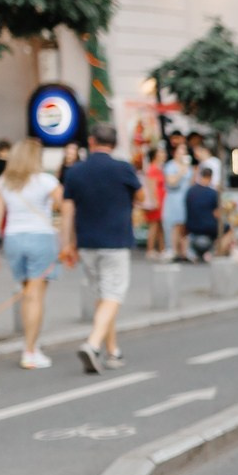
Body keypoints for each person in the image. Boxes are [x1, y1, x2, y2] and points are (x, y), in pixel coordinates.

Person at [60, 122, 142, 374]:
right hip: (116, 241)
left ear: (92, 142)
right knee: (113, 295)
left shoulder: (74, 172)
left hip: (87, 243)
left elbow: (66, 211)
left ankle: (113, 351)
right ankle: (93, 344)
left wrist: (67, 244)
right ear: (114, 144)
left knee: (103, 297)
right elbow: (142, 198)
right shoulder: (124, 169)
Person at [0, 138, 63, 370]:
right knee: (35, 296)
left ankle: (31, 347)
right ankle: (30, 350)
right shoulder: (46, 181)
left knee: (26, 292)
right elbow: (64, 205)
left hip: (13, 239)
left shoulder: (3, 183)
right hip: (41, 237)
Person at [161, 137, 191, 259]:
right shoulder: (170, 166)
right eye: (180, 151)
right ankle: (172, 249)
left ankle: (184, 250)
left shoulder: (188, 167)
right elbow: (171, 182)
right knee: (173, 224)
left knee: (184, 225)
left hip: (185, 197)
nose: (182, 154)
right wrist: (180, 172)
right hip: (174, 198)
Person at [183, 165, 222, 261]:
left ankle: (186, 252)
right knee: (227, 229)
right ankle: (216, 252)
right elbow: (217, 214)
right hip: (208, 228)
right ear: (210, 177)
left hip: (191, 226)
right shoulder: (213, 193)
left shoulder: (190, 191)